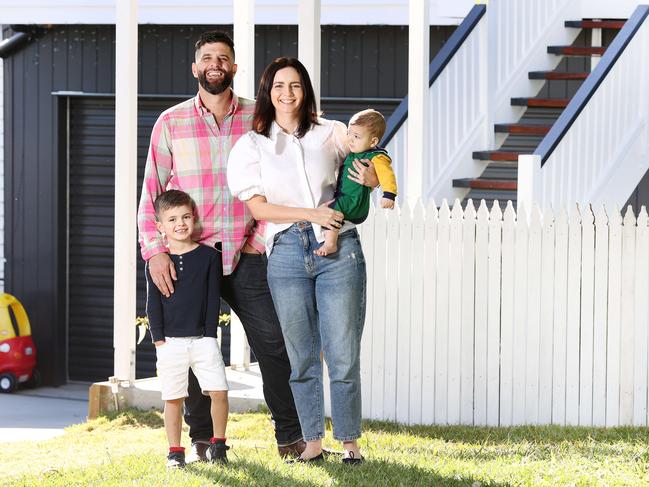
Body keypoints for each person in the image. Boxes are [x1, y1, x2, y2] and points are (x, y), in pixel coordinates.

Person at [138, 31, 344, 460]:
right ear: (196, 68)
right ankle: (199, 441)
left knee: (275, 343)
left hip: (247, 252)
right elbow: (151, 194)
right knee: (192, 347)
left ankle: (293, 437)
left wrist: (259, 236)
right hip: (191, 259)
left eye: (224, 58)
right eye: (207, 58)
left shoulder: (259, 116)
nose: (216, 63)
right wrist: (155, 251)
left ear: (234, 67)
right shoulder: (170, 122)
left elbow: (287, 173)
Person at [228, 57, 377, 464]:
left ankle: (349, 442)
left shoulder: (332, 132)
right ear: (267, 91)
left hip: (340, 247)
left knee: (343, 351)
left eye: (295, 85)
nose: (287, 93)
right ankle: (312, 440)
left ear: (305, 90)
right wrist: (311, 214)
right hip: (288, 252)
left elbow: (367, 160)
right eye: (279, 85)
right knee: (301, 354)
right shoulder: (253, 143)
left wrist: (375, 178)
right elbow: (258, 209)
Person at [146, 190, 229, 468]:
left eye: (185, 216)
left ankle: (218, 445)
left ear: (193, 218)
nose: (180, 223)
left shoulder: (208, 257)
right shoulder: (157, 263)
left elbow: (212, 298)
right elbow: (153, 303)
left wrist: (209, 334)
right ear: (160, 226)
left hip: (202, 340)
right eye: (172, 219)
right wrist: (158, 339)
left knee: (218, 391)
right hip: (170, 343)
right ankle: (174, 452)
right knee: (173, 397)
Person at [315, 108, 398, 256]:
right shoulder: (353, 153)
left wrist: (389, 194)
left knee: (331, 210)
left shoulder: (376, 157)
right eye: (349, 133)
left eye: (356, 136)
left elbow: (387, 174)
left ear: (373, 141)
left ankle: (330, 244)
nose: (350, 139)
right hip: (348, 198)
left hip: (354, 201)